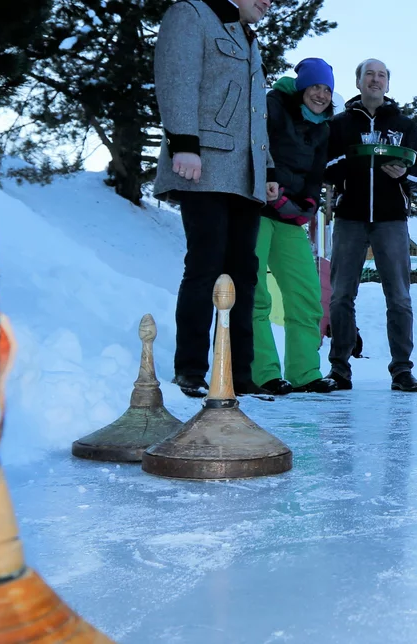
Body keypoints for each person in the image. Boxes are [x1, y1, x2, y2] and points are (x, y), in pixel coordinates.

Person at [152, 0, 278, 397]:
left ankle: (238, 374)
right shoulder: (192, 14)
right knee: (205, 266)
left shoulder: (248, 37)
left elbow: (255, 115)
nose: (269, 1)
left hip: (246, 176)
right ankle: (189, 370)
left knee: (245, 273)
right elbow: (177, 78)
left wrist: (268, 168)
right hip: (204, 165)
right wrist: (184, 143)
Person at [324, 58, 417, 392]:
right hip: (349, 218)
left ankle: (402, 370)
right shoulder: (339, 124)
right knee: (341, 295)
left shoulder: (404, 125)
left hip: (391, 221)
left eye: (381, 75)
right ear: (358, 82)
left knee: (399, 296)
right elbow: (325, 166)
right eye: (368, 74)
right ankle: (339, 369)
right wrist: (352, 160)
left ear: (388, 84)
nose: (375, 80)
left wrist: (405, 172)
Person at [250, 58, 341, 396]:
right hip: (258, 209)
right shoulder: (273, 106)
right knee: (256, 295)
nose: (321, 94)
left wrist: (309, 203)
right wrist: (269, 185)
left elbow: (316, 173)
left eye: (327, 89)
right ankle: (264, 374)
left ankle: (304, 373)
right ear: (302, 87)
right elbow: (258, 146)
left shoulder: (323, 125)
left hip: (288, 217)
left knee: (305, 294)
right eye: (316, 86)